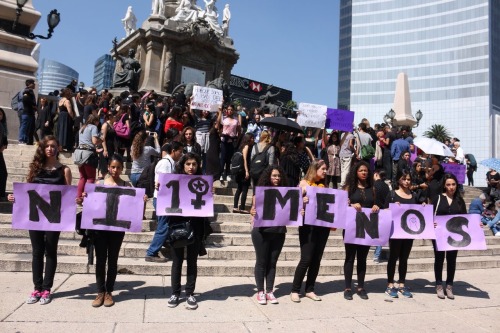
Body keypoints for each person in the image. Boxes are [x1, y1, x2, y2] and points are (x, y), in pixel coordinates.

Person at [8, 136, 72, 305]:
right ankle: (37, 287)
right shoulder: (35, 168)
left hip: (53, 217)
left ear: (58, 149)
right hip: (35, 216)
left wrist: (76, 201)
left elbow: (67, 196)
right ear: (43, 149)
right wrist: (15, 197)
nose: (50, 149)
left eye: (53, 146)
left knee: (50, 251)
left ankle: (46, 289)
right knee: (37, 251)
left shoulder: (64, 170)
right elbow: (27, 191)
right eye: (47, 146)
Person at [79, 153, 148, 307]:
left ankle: (109, 291)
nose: (115, 170)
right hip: (100, 229)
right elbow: (91, 206)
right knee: (100, 260)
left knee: (113, 260)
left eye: (118, 167)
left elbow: (136, 213)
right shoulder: (99, 183)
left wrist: (141, 203)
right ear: (108, 167)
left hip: (117, 230)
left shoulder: (126, 186)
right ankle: (100, 292)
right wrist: (85, 197)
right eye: (113, 167)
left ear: (122, 169)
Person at [167, 153, 206, 310]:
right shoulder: (174, 181)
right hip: (177, 226)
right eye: (188, 164)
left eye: (194, 164)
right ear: (182, 166)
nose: (191, 167)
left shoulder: (203, 183)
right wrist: (159, 188)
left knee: (192, 261)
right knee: (177, 262)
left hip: (195, 227)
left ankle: (190, 293)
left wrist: (210, 195)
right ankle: (175, 293)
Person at [290, 160, 329, 303]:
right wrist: (302, 200)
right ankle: (295, 289)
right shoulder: (303, 183)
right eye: (323, 169)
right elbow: (293, 203)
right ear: (315, 169)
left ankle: (310, 289)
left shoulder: (324, 186)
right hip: (308, 226)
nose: (325, 171)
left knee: (316, 259)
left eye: (326, 169)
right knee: (306, 258)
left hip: (322, 227)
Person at [250, 166, 288, 305]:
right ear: (268, 177)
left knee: (272, 263)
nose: (277, 178)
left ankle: (270, 291)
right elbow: (253, 209)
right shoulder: (259, 193)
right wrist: (252, 212)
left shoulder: (286, 194)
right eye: (274, 176)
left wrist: (299, 212)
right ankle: (260, 291)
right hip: (261, 232)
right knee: (261, 261)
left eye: (278, 176)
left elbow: (291, 211)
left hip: (278, 232)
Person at [384, 170, 425, 298]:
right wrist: (390, 208)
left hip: (409, 232)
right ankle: (390, 284)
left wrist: (423, 205)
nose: (407, 182)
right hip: (395, 232)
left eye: (408, 179)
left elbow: (419, 212)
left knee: (404, 258)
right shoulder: (392, 194)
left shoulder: (414, 195)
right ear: (398, 180)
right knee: (393, 257)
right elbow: (383, 210)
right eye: (404, 179)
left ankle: (402, 283)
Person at [343, 160, 379, 300]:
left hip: (366, 228)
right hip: (352, 227)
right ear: (355, 172)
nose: (364, 173)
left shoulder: (373, 188)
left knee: (362, 258)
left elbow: (376, 204)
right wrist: (351, 204)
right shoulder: (348, 188)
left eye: (366, 170)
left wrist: (376, 207)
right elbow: (342, 206)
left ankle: (361, 287)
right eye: (361, 170)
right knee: (350, 257)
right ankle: (347, 287)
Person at [145, 141, 184, 262]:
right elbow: (164, 183)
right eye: (180, 152)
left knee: (166, 224)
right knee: (163, 226)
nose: (181, 154)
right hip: (163, 199)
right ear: (173, 151)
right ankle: (151, 252)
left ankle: (165, 242)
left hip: (166, 200)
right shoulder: (165, 164)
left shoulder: (171, 163)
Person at [431, 173, 467, 299]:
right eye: (448, 185)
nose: (451, 187)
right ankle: (439, 285)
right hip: (439, 234)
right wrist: (433, 222)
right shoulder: (438, 198)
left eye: (453, 184)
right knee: (439, 259)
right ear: (444, 186)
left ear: (457, 185)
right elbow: (430, 215)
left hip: (455, 235)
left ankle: (449, 285)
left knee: (452, 260)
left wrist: (476, 224)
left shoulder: (459, 200)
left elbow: (465, 218)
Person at [74, 115, 102, 198]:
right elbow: (94, 141)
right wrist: (101, 139)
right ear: (95, 121)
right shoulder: (93, 127)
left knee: (82, 177)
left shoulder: (82, 127)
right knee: (90, 178)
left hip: (79, 153)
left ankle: (79, 197)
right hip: (88, 154)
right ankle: (87, 198)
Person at [217, 104, 240, 181]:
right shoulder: (224, 118)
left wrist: (237, 139)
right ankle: (220, 173)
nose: (230, 111)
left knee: (229, 158)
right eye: (228, 109)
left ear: (233, 111)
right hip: (224, 140)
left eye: (231, 109)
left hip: (231, 140)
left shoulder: (236, 120)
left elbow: (239, 131)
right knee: (223, 157)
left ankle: (228, 173)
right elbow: (218, 126)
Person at [233, 133, 254, 214]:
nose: (253, 140)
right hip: (243, 171)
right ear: (249, 138)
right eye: (252, 138)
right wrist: (246, 171)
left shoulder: (241, 146)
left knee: (239, 189)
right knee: (244, 189)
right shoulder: (246, 146)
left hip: (240, 171)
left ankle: (235, 207)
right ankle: (241, 208)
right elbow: (245, 160)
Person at [372, 168, 390, 263]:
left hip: (374, 210)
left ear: (376, 174)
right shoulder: (386, 186)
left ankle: (376, 254)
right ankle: (376, 255)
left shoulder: (374, 185)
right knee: (380, 234)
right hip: (384, 211)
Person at [98, 111, 117, 180]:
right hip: (106, 148)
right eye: (114, 117)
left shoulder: (112, 125)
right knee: (104, 167)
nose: (115, 118)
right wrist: (105, 149)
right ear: (110, 117)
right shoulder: (105, 125)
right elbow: (102, 138)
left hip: (111, 148)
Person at [19, 79, 37, 145]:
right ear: (30, 84)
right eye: (33, 83)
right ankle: (22, 140)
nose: (35, 85)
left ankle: (27, 140)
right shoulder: (27, 90)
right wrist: (33, 106)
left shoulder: (30, 91)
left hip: (30, 113)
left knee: (29, 128)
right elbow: (25, 99)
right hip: (27, 112)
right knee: (24, 126)